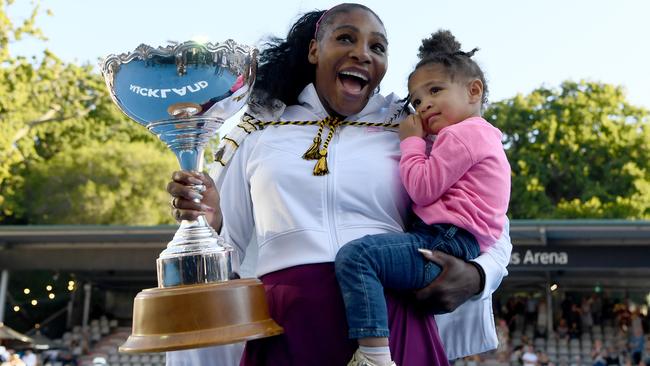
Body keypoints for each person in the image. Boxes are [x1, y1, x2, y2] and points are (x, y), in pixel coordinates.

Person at [166, 3, 512, 366]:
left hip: (393, 322)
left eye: (377, 47)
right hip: (287, 323)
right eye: (345, 38)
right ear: (314, 50)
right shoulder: (259, 131)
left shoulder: (413, 128)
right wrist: (209, 219)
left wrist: (478, 275)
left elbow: (489, 214)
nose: (362, 53)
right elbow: (228, 248)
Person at [333, 29, 510, 366]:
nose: (423, 105)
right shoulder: (478, 136)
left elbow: (422, 187)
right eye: (415, 101)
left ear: (474, 91)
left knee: (358, 257)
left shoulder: (462, 135)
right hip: (452, 239)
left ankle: (374, 357)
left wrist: (411, 142)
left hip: (445, 240)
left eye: (435, 91)